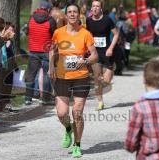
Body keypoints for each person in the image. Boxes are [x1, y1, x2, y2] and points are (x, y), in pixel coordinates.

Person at [49, 3, 98, 158]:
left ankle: (77, 144)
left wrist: (84, 61)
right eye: (69, 12)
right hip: (62, 77)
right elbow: (52, 50)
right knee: (62, 113)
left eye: (74, 12)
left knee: (77, 112)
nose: (72, 14)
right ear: (65, 15)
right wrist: (51, 67)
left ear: (79, 15)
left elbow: (95, 56)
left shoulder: (86, 34)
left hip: (81, 77)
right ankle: (68, 128)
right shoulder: (58, 32)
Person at [124, 60, 159, 160]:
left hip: (149, 156)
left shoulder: (140, 107)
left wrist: (131, 147)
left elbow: (131, 142)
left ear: (144, 80)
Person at [86, 0, 119, 110]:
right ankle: (100, 102)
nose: (95, 8)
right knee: (97, 78)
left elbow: (116, 34)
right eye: (93, 6)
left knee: (106, 81)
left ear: (101, 8)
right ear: (91, 8)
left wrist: (111, 48)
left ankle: (106, 79)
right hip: (96, 53)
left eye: (97, 6)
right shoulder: (89, 20)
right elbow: (88, 35)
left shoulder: (107, 20)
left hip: (107, 52)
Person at [24, 1, 56, 105]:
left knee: (31, 74)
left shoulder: (31, 18)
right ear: (48, 9)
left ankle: (28, 98)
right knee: (46, 74)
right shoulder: (51, 20)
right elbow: (54, 34)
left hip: (33, 50)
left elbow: (27, 31)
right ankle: (45, 99)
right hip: (46, 51)